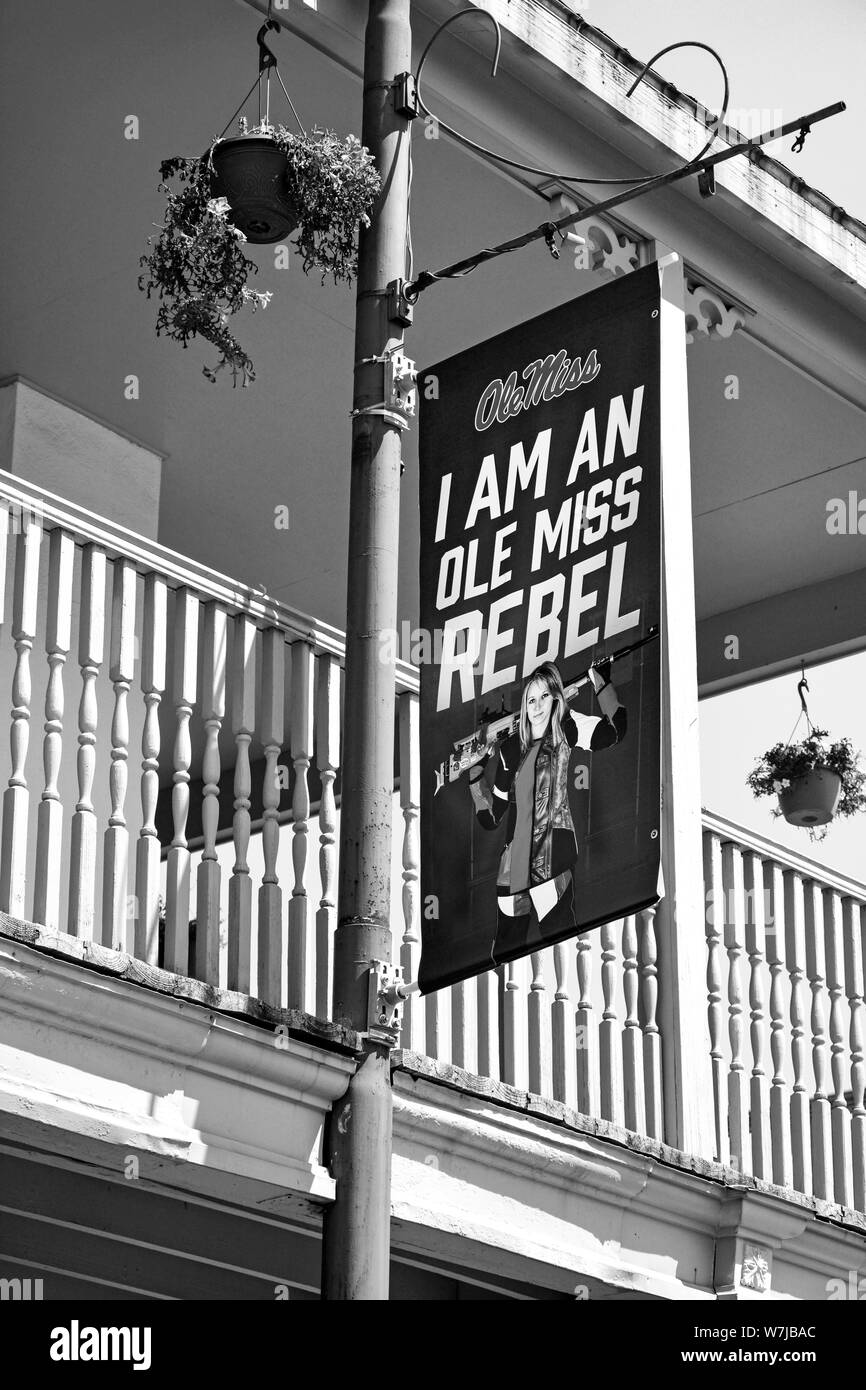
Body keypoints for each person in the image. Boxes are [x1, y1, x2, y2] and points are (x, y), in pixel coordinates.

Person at [468, 656, 626, 963]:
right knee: (504, 959)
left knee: (561, 944)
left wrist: (602, 683)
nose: (537, 706)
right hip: (512, 871)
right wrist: (476, 773)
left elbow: (615, 731)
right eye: (531, 699)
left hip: (551, 858)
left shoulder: (566, 727)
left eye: (544, 697)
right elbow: (491, 817)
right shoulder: (511, 749)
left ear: (556, 699)